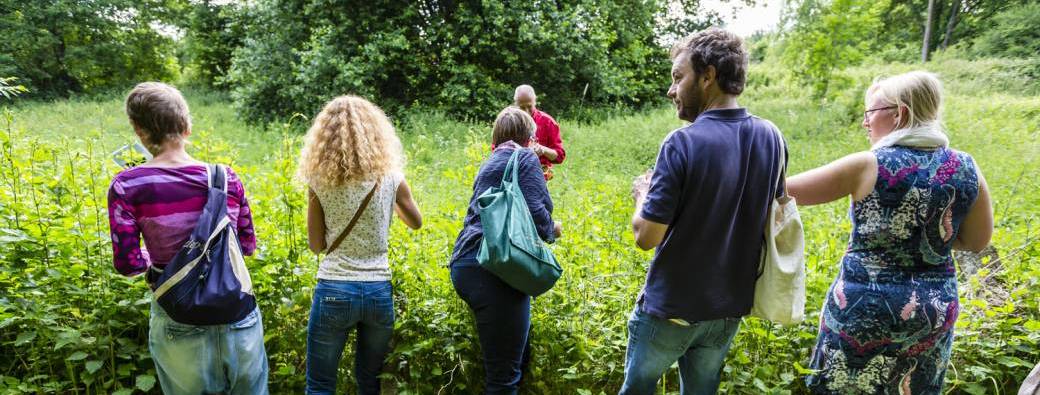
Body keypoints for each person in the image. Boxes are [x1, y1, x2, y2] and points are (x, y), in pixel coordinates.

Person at [789, 71, 993, 394]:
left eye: (870, 113)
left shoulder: (868, 164)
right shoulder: (966, 167)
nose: (865, 123)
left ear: (900, 114)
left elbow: (785, 191)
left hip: (862, 315)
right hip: (931, 315)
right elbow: (977, 241)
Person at [622, 28, 785, 395]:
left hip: (672, 308)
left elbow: (646, 237)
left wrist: (642, 194)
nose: (671, 90)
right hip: (728, 309)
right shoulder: (771, 136)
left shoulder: (682, 142)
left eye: (678, 77)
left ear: (708, 76)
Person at [107, 82, 268, 394]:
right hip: (237, 314)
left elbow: (128, 264)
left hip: (178, 318)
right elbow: (247, 245)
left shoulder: (128, 185)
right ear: (186, 125)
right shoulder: (226, 178)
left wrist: (166, 259)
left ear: (139, 131)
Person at [298, 95, 422, 395]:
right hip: (379, 289)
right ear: (375, 133)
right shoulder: (391, 178)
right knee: (370, 383)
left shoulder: (319, 181)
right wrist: (385, 205)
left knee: (320, 384)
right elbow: (416, 221)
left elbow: (316, 245)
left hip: (334, 288)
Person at [449, 106, 562, 394]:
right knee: (503, 377)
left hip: (466, 263)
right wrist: (553, 229)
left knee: (514, 359)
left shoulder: (490, 162)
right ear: (530, 138)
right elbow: (539, 214)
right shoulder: (524, 157)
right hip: (496, 266)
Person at [513, 85, 565, 180]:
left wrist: (543, 150)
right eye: (522, 107)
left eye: (529, 106)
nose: (526, 112)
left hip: (539, 178)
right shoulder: (508, 121)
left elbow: (559, 156)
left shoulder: (548, 122)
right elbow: (496, 149)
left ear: (535, 101)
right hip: (513, 176)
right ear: (515, 104)